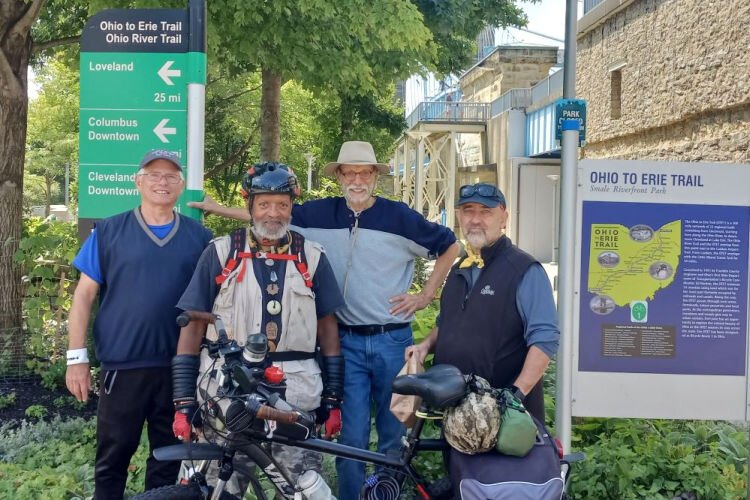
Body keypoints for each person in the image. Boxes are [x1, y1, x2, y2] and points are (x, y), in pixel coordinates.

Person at [189, 141, 459, 499]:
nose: (357, 180)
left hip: (393, 340)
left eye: (365, 173)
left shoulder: (400, 217)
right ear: (340, 177)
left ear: (375, 177)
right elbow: (271, 214)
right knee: (352, 437)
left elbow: (451, 245)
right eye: (350, 173)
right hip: (346, 340)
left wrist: (426, 295)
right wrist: (215, 208)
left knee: (393, 433)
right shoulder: (321, 214)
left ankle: (385, 494)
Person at [171, 162, 345, 496]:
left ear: (292, 206)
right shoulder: (221, 253)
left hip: (295, 395)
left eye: (282, 204)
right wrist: (183, 403)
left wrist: (333, 400)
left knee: (303, 489)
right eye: (264, 203)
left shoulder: (312, 258)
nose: (273, 213)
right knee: (215, 487)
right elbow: (192, 327)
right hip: (225, 394)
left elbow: (329, 332)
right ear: (249, 205)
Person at [66, 149, 213, 499]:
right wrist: (77, 359)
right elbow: (84, 296)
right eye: (153, 175)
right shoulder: (109, 231)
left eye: (171, 177)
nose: (162, 182)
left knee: (168, 460)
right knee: (112, 459)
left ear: (181, 186)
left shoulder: (200, 238)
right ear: (138, 181)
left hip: (179, 370)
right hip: (123, 366)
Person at [406, 182, 559, 423]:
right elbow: (446, 323)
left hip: (504, 416)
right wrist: (426, 346)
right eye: (468, 211)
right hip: (456, 411)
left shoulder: (523, 270)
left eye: (486, 212)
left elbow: (545, 339)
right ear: (459, 216)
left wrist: (515, 396)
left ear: (504, 218)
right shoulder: (459, 270)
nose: (475, 219)